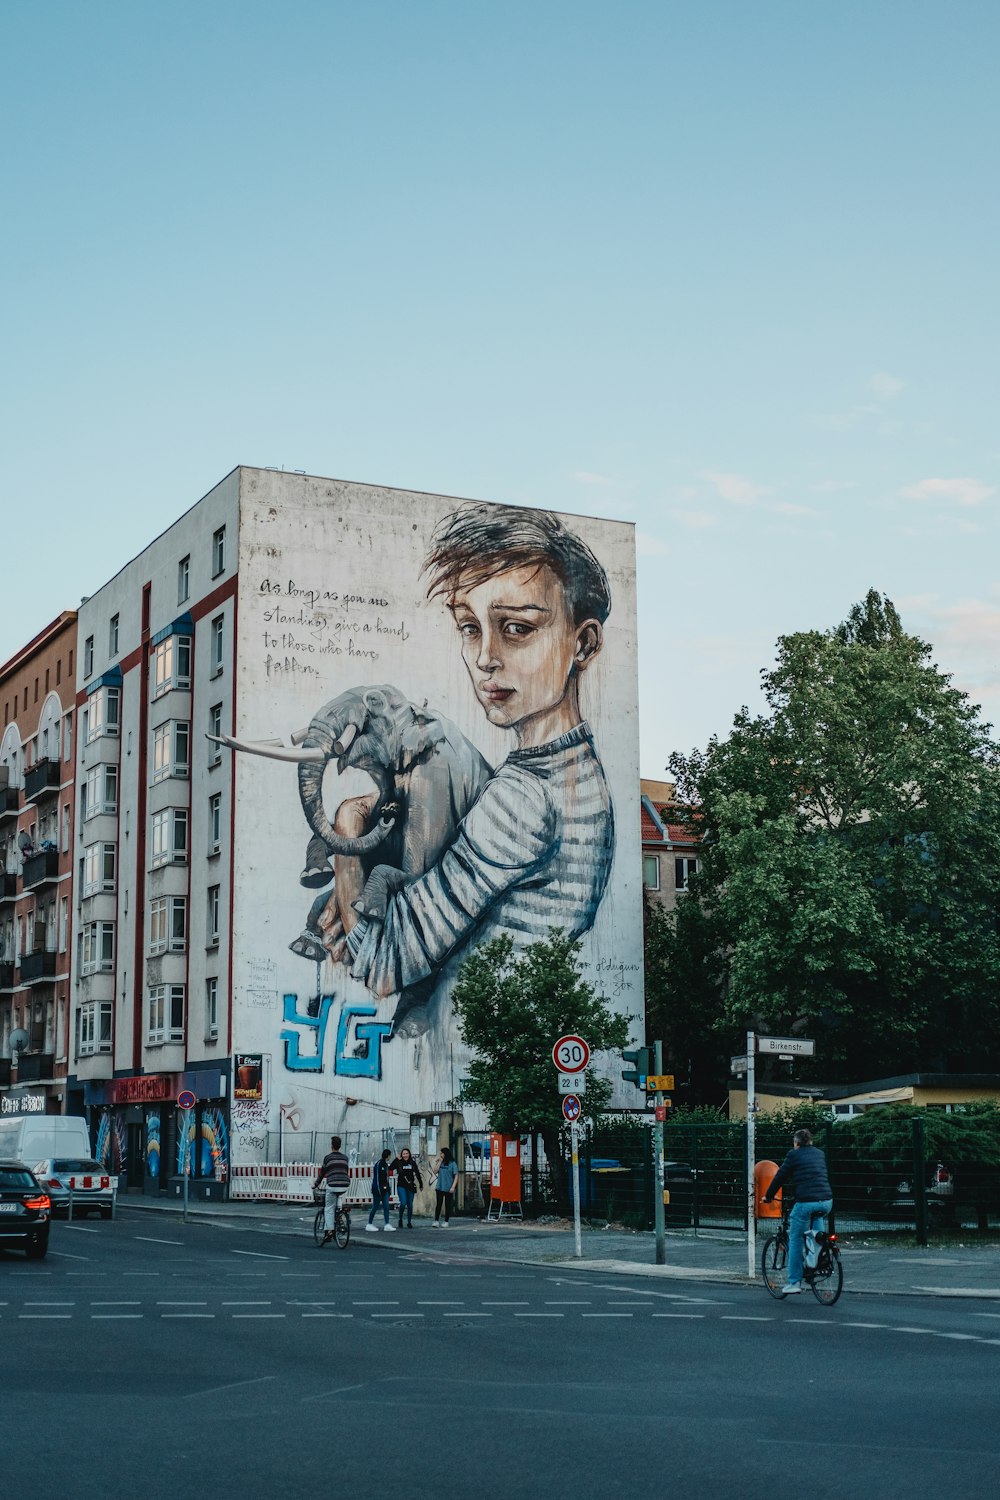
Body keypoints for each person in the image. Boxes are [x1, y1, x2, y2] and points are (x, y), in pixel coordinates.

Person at [333, 505, 615, 1025]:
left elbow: (378, 962)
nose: (485, 656)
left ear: (585, 643)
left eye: (515, 628)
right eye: (469, 627)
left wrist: (348, 835)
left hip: (470, 1059)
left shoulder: (522, 798)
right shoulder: (578, 777)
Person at [763, 1127, 834, 1296]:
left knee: (795, 1239)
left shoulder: (793, 1155)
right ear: (810, 1141)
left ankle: (794, 1282)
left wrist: (768, 1196)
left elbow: (780, 1176)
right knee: (816, 1234)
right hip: (826, 1202)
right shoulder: (819, 1153)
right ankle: (815, 1260)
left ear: (796, 1143)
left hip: (806, 1203)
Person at [312, 1134, 350, 1245]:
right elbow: (345, 1171)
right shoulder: (345, 1158)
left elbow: (322, 1173)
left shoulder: (328, 1158)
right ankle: (340, 1216)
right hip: (344, 1184)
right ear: (340, 1146)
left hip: (332, 1184)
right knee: (337, 1201)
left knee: (328, 1208)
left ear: (331, 1146)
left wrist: (316, 1184)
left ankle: (330, 1230)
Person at [390, 1147, 424, 1228]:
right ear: (401, 1154)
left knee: (410, 1205)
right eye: (403, 1154)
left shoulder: (412, 1163)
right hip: (401, 1185)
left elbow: (417, 1173)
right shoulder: (399, 1162)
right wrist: (396, 1159)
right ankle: (400, 1219)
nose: (405, 1155)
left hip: (410, 1185)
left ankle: (409, 1222)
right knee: (403, 1203)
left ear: (409, 1154)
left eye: (406, 1153)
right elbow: (390, 1168)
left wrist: (421, 1184)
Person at [367, 1148, 396, 1233]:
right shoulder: (379, 1164)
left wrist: (388, 1189)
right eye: (390, 1155)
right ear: (388, 1155)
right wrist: (379, 1190)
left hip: (384, 1189)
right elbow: (377, 1178)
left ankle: (387, 1224)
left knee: (386, 1207)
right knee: (375, 1207)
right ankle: (369, 1223)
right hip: (378, 1190)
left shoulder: (385, 1165)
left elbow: (385, 1179)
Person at [431, 1146, 458, 1227]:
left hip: (449, 1187)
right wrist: (439, 1162)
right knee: (438, 1204)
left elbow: (456, 1175)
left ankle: (446, 1221)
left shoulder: (452, 1163)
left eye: (442, 1153)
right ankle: (436, 1221)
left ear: (446, 1154)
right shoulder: (441, 1162)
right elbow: (435, 1171)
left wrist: (453, 1187)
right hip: (439, 1186)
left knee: (447, 1205)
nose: (440, 1155)